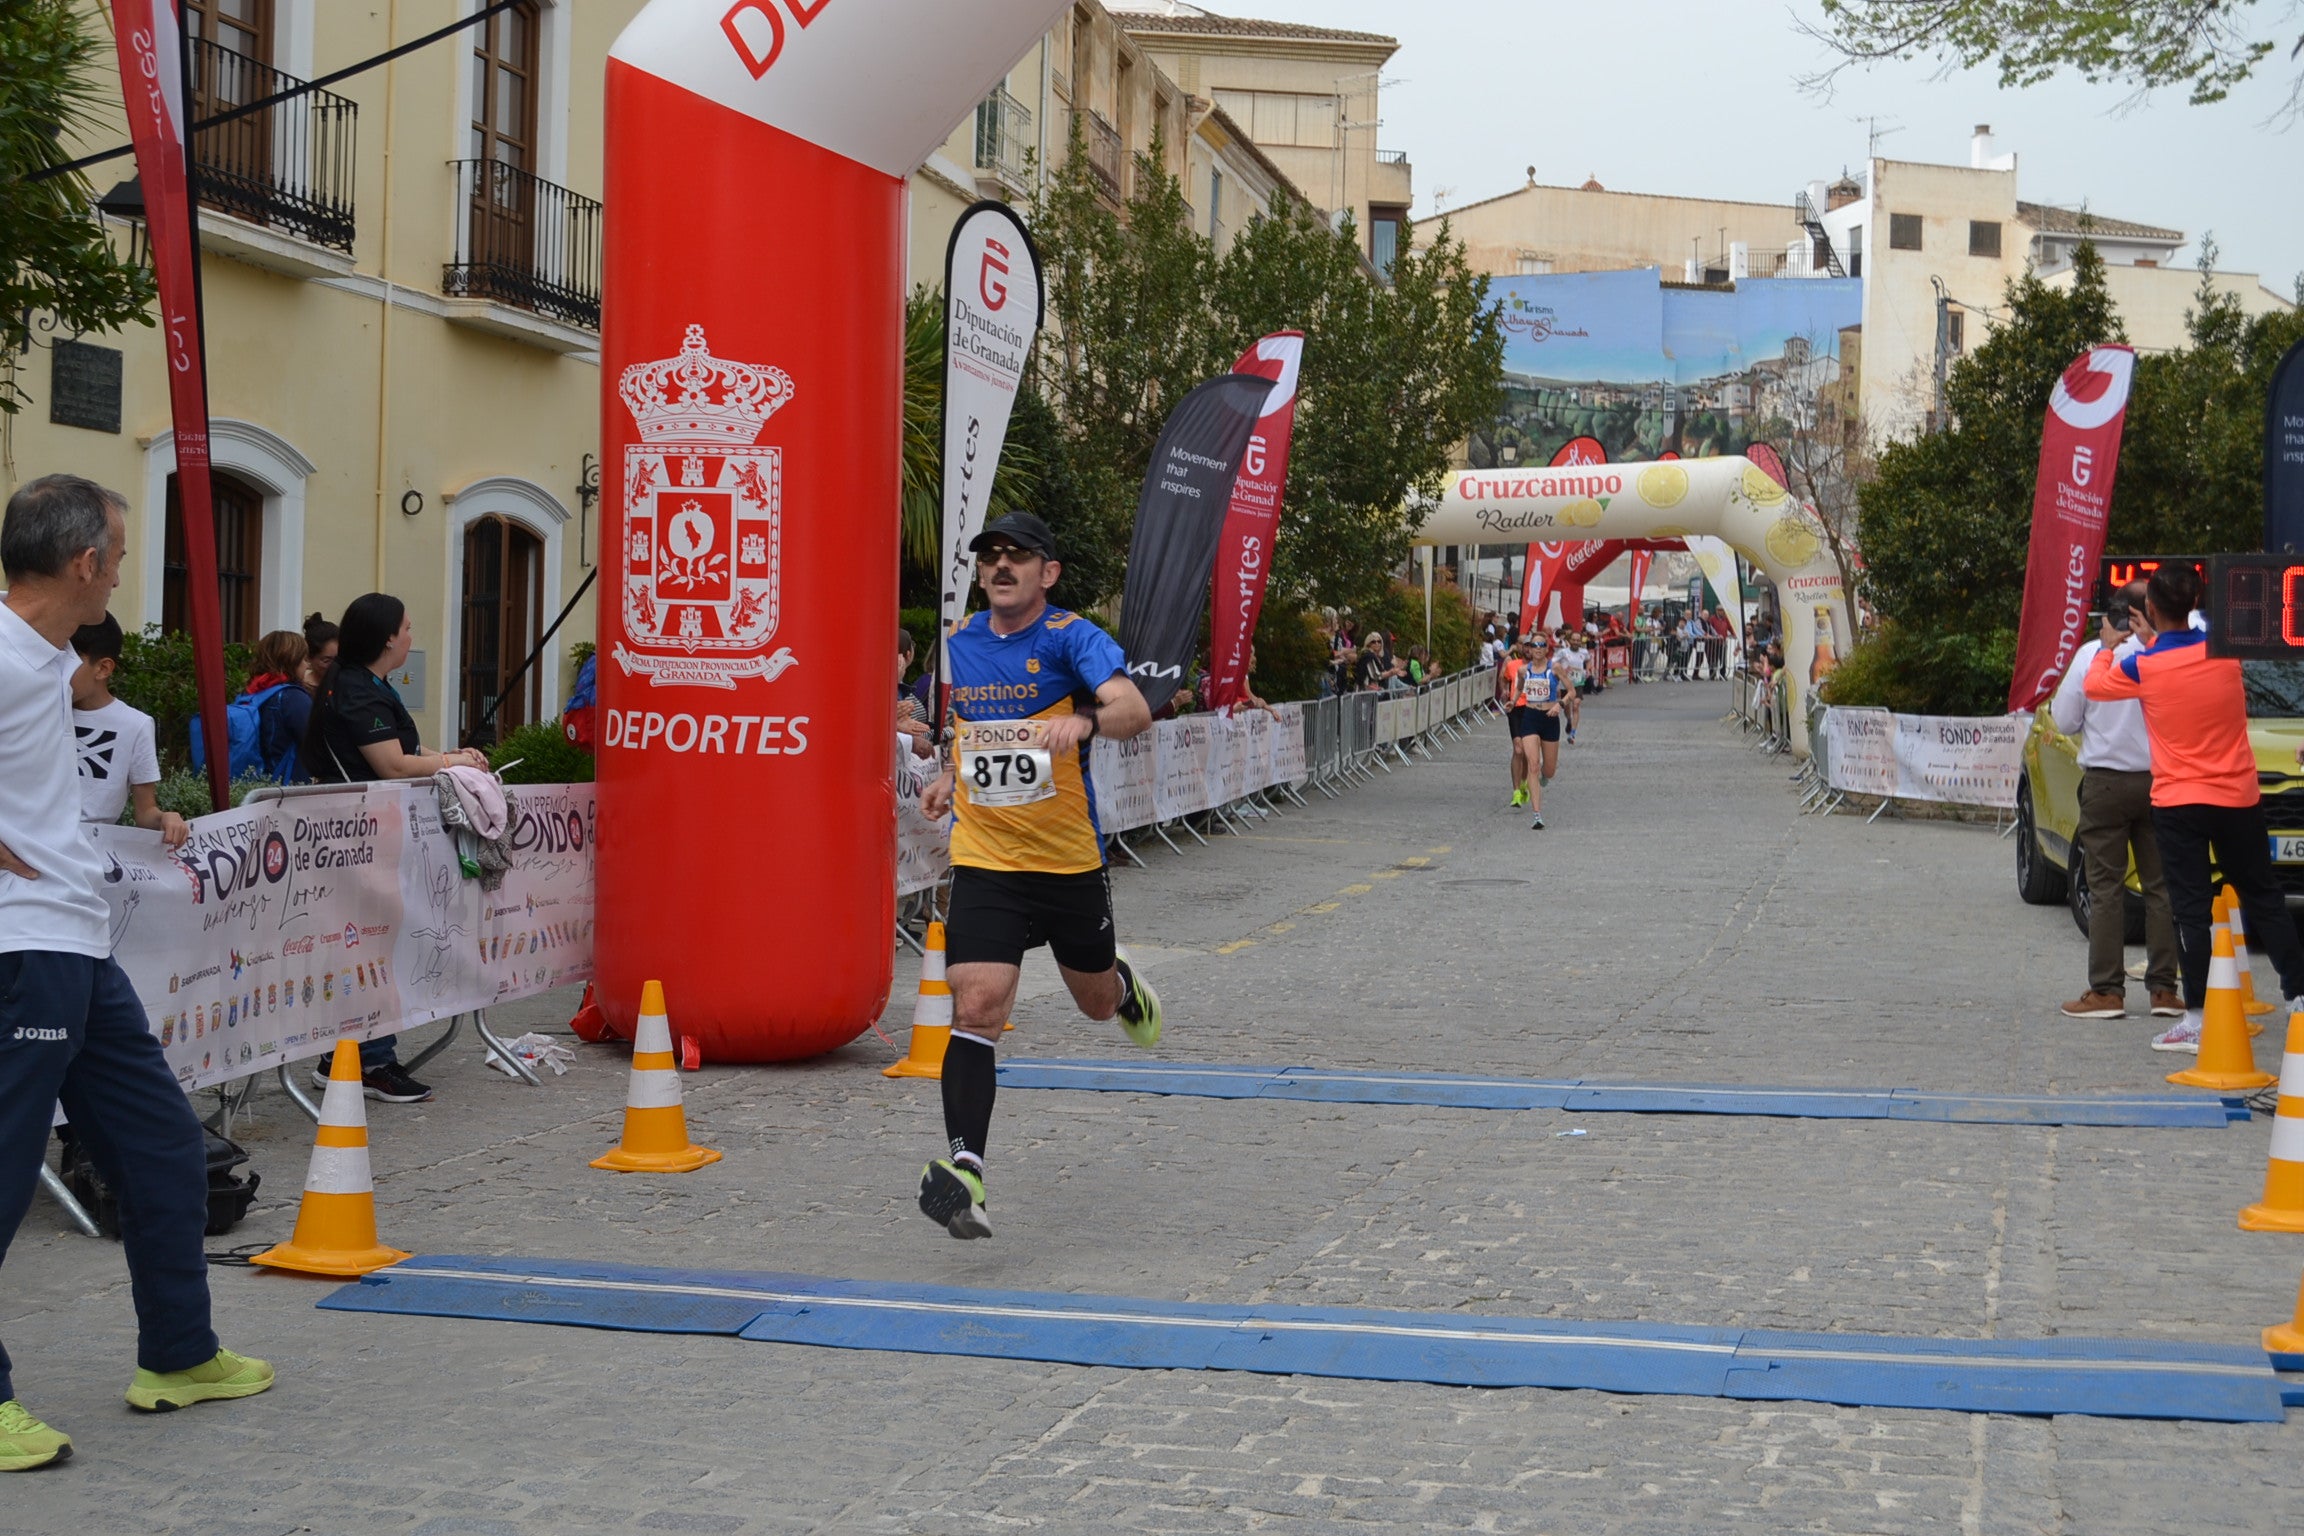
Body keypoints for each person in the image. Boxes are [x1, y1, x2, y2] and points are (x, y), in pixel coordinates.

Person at [1, 474, 274, 1473]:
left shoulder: (52, 657)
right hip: (20, 949)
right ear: (85, 564)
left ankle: (180, 1352)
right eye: (118, 555)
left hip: (75, 944)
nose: (122, 572)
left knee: (162, 1149)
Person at [916, 511, 1161, 1240]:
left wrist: (1085, 722)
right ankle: (965, 1172)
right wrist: (944, 779)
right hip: (988, 861)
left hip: (1067, 865)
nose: (1000, 566)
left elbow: (1135, 708)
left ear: (1046, 573)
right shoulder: (959, 645)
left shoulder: (1071, 637)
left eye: (1017, 556)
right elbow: (970, 739)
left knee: (1091, 1002)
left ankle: (1120, 985)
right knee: (977, 1006)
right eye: (990, 555)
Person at [2085, 563, 2304, 1050]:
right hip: (2236, 796)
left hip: (2178, 802)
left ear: (2150, 611)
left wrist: (2107, 645)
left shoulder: (2143, 666)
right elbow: (2192, 642)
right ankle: (2299, 998)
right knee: (2264, 898)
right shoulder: (2226, 655)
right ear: (2197, 603)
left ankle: (2198, 1018)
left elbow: (2095, 686)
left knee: (2191, 911)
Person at [303, 593, 489, 1102]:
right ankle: (371, 1061)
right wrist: (453, 763)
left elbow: (408, 750)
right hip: (357, 837)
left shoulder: (367, 684)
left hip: (373, 834)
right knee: (371, 944)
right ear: (388, 637)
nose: (412, 636)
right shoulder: (358, 690)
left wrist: (454, 756)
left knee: (375, 943)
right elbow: (391, 765)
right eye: (407, 627)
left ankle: (343, 1055)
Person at [2052, 581, 2182, 1022]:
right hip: (2158, 780)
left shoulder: (2092, 656)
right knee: (2161, 885)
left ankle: (2107, 991)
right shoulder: (2165, 655)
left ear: (2112, 615)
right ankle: (2165, 990)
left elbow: (2064, 719)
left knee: (2105, 886)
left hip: (2106, 783)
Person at [68, 616, 188, 847]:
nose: (60, 671)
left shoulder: (135, 724)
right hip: (36, 849)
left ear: (103, 668)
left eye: (70, 661)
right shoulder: (41, 709)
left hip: (95, 856)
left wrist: (166, 817)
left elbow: (145, 812)